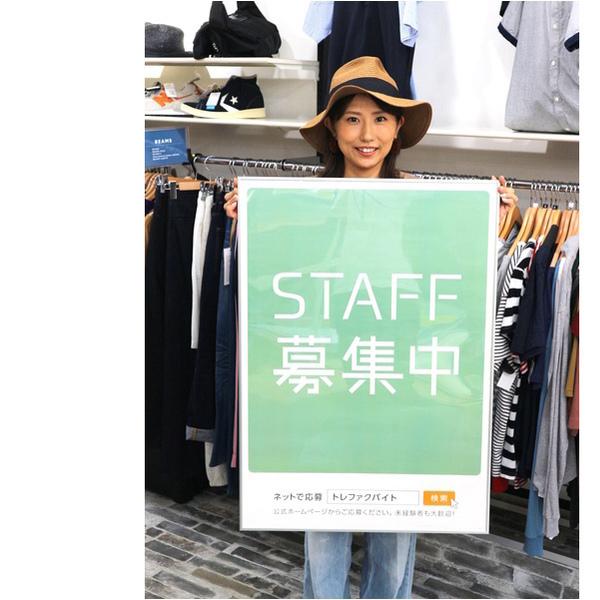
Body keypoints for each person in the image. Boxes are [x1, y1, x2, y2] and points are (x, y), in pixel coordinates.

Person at [224, 56, 518, 599]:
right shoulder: (304, 204)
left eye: (381, 119)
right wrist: (251, 220)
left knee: (397, 510)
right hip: (326, 366)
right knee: (324, 507)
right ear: (333, 129)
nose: (367, 135)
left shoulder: (428, 202)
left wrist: (493, 221)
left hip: (400, 367)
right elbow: (272, 287)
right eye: (353, 119)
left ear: (398, 128)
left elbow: (457, 283)